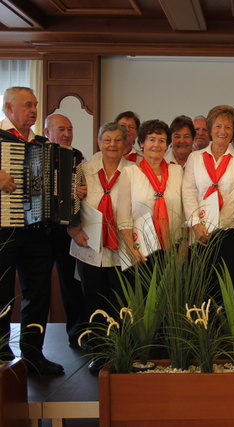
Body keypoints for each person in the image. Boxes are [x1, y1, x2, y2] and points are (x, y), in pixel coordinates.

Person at [0, 86, 63, 375]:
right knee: (1, 291)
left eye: (35, 105)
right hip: (3, 229)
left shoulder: (41, 143)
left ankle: (33, 352)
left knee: (37, 293)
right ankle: (1, 351)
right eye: (27, 105)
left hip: (38, 231)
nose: (34, 110)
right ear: (8, 109)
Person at [67, 122, 133, 372]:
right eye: (107, 139)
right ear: (98, 142)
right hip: (89, 245)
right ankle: (100, 353)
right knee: (93, 301)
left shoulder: (133, 171)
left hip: (121, 248)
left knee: (119, 301)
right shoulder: (84, 169)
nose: (112, 145)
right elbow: (67, 202)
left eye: (118, 140)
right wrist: (72, 229)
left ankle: (121, 351)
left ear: (126, 144)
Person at [183, 105, 234, 296]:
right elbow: (188, 191)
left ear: (233, 132)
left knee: (229, 289)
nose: (223, 131)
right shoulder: (195, 158)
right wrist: (196, 225)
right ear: (211, 128)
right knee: (203, 287)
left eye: (228, 127)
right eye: (218, 126)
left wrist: (215, 225)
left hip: (229, 232)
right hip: (200, 234)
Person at [43, 113, 87, 350]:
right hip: (38, 232)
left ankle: (77, 335)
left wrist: (82, 190)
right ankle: (33, 345)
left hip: (67, 231)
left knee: (72, 285)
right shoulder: (36, 152)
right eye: (61, 129)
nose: (67, 134)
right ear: (47, 132)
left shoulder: (76, 157)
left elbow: (80, 192)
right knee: (39, 290)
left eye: (70, 129)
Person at [117, 120, 184, 265]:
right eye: (151, 139)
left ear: (167, 145)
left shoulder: (177, 171)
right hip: (141, 249)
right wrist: (131, 250)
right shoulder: (130, 173)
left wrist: (183, 247)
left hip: (172, 246)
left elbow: (184, 213)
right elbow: (123, 218)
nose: (156, 145)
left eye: (162, 141)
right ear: (142, 143)